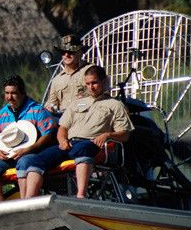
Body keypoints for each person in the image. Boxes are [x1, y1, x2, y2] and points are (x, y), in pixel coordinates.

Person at [0, 75, 61, 201]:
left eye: (13, 93)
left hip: (33, 153)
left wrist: (30, 148)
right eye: (7, 93)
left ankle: (24, 203)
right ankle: (2, 206)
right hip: (10, 155)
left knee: (25, 161)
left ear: (22, 93)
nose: (9, 97)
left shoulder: (37, 110)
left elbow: (48, 135)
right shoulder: (2, 114)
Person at [57, 65, 134, 198]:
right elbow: (63, 127)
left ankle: (81, 196)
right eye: (87, 84)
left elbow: (125, 134)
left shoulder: (115, 105)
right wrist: (62, 140)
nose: (91, 87)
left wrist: (108, 134)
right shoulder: (77, 103)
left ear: (104, 82)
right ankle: (29, 202)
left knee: (82, 149)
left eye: (94, 83)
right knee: (34, 159)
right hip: (69, 144)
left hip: (91, 145)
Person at [45, 35, 93, 115]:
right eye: (63, 52)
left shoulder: (91, 71)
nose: (66, 55)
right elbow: (51, 103)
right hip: (63, 120)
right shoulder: (57, 79)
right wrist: (49, 108)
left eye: (71, 52)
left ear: (80, 53)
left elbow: (102, 96)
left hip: (87, 117)